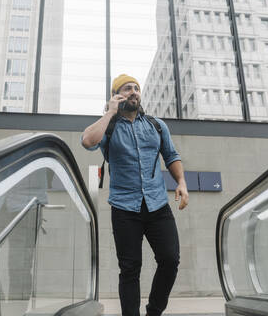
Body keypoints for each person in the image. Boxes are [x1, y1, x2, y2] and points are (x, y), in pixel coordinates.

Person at [81, 74, 189, 316]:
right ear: (117, 95)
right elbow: (87, 141)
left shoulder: (156, 125)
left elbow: (171, 156)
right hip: (124, 208)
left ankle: (153, 311)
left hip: (158, 205)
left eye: (136, 88)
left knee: (170, 260)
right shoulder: (108, 127)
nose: (133, 92)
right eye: (127, 89)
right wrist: (109, 112)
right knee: (130, 269)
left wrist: (181, 182)